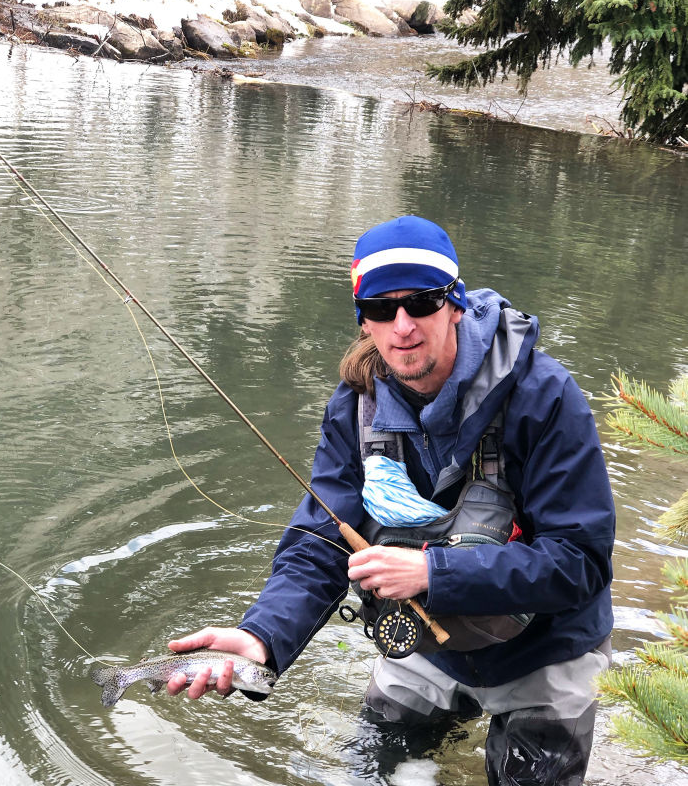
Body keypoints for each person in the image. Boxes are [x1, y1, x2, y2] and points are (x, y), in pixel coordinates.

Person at [166, 216, 615, 786]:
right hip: (425, 650)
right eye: (380, 308)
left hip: (545, 650)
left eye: (421, 302)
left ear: (454, 304)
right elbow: (321, 541)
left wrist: (431, 572)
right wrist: (261, 638)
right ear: (363, 320)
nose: (402, 326)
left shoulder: (545, 397)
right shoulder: (353, 408)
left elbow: (580, 561)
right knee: (371, 776)